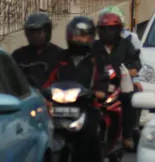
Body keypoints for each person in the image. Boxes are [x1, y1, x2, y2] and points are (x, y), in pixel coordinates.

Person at [43, 16, 113, 162]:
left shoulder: (98, 59)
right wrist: (43, 93)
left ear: (91, 37)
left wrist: (98, 92)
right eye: (76, 35)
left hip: (87, 106)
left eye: (83, 35)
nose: (79, 39)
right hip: (59, 107)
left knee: (91, 132)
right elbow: (48, 80)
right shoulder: (60, 57)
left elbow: (103, 81)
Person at [94, 12, 141, 151]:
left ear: (118, 30)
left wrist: (127, 72)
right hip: (98, 87)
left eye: (111, 29)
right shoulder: (93, 47)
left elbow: (136, 65)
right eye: (103, 29)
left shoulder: (126, 45)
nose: (107, 33)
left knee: (130, 99)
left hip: (120, 86)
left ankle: (127, 135)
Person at [12, 12, 64, 88]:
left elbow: (69, 82)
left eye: (38, 32)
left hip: (52, 96)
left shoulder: (60, 55)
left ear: (47, 32)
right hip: (27, 97)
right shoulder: (18, 55)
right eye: (31, 33)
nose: (35, 36)